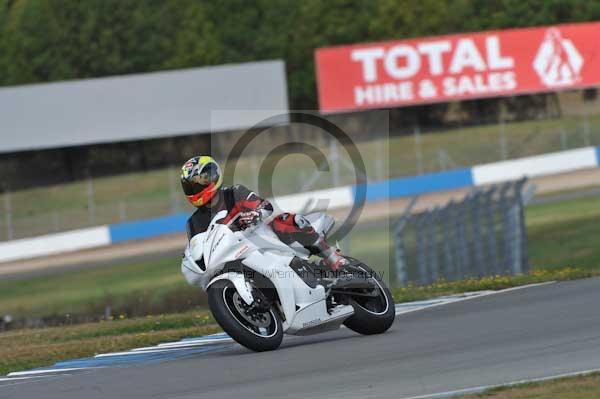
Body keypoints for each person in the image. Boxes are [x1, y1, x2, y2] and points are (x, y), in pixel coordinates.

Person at [180, 155, 348, 270]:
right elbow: (198, 249)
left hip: (263, 240)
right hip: (231, 258)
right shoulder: (194, 223)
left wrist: (255, 214)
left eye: (199, 183)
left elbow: (265, 206)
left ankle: (332, 257)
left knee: (286, 221)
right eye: (191, 186)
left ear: (212, 176)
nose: (196, 188)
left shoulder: (233, 193)